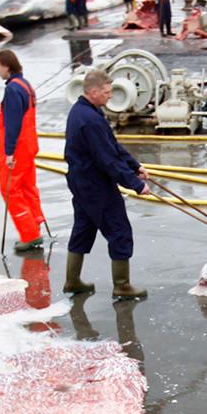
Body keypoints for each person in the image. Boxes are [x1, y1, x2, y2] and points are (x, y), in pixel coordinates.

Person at [64, 67, 151, 300]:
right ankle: (122, 285)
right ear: (92, 91)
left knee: (83, 227)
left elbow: (112, 146)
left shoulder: (84, 111)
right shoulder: (90, 119)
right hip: (95, 184)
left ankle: (72, 281)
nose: (110, 95)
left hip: (81, 182)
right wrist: (136, 184)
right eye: (106, 91)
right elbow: (107, 159)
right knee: (119, 230)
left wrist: (134, 166)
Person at [0, 49, 47, 254]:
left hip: (17, 148)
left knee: (10, 189)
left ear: (7, 66)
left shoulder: (13, 90)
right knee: (27, 187)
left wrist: (9, 152)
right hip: (29, 145)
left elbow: (13, 123)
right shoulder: (25, 85)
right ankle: (36, 222)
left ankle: (29, 234)